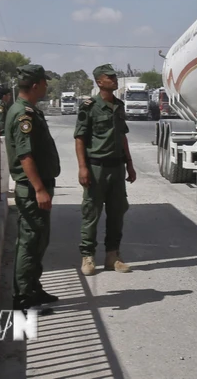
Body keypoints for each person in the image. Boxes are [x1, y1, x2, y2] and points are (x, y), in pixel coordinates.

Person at [4, 64, 61, 311]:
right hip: (31, 189)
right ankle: (23, 298)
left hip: (37, 187)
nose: (47, 86)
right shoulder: (22, 114)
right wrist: (39, 189)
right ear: (36, 85)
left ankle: (33, 289)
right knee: (29, 242)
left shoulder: (29, 110)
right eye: (45, 82)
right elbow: (25, 156)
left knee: (38, 240)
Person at [75, 64, 136, 275]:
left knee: (117, 213)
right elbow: (80, 138)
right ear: (99, 82)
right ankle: (88, 257)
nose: (114, 79)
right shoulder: (89, 107)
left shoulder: (119, 105)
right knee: (91, 213)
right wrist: (83, 167)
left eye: (115, 76)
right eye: (109, 77)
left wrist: (129, 163)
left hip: (117, 168)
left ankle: (113, 256)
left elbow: (122, 136)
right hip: (96, 168)